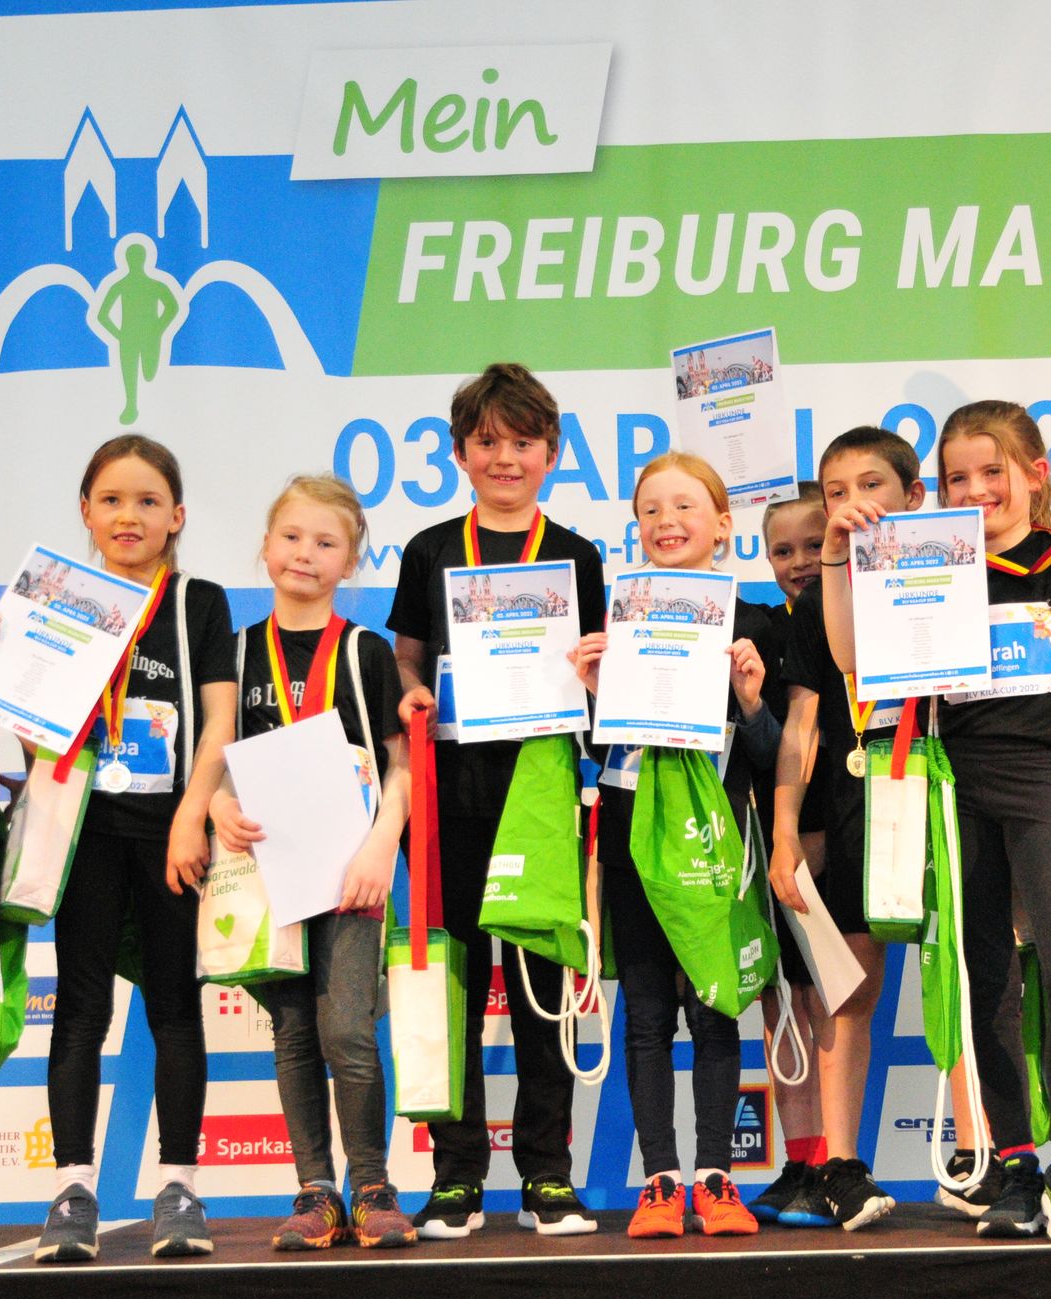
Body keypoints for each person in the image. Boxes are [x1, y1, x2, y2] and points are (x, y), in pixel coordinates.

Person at [820, 401, 1051, 1241]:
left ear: (1035, 475)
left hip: (1045, 784)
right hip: (956, 789)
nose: (975, 490)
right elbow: (850, 658)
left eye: (993, 472)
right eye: (957, 477)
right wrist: (839, 557)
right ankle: (1016, 1166)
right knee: (987, 979)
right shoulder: (927, 560)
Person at [388, 364, 605, 1238]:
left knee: (542, 986)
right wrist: (408, 692)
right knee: (454, 987)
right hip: (448, 798)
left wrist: (594, 674)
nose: (505, 458)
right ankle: (456, 1177)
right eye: (487, 442)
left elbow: (597, 663)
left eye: (522, 442)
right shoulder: (430, 548)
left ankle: (547, 1175)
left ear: (552, 452)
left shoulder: (577, 554)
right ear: (459, 453)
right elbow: (407, 653)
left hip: (542, 796)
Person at [33, 435, 237, 1263]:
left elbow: (218, 720)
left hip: (168, 834)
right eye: (112, 500)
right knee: (80, 1009)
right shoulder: (58, 599)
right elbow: (25, 711)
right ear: (85, 512)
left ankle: (179, 1188)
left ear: (176, 516)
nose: (129, 515)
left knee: (174, 1007)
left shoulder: (198, 603)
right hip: (83, 831)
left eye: (148, 501)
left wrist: (193, 813)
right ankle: (71, 1191)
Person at [571, 452, 781, 1238]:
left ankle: (717, 1178)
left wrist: (751, 701)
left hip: (715, 846)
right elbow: (595, 752)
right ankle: (660, 1180)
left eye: (685, 506)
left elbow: (770, 754)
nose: (667, 522)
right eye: (650, 510)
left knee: (715, 1010)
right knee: (648, 1015)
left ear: (723, 526)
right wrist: (594, 693)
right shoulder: (618, 619)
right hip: (632, 843)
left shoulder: (755, 623)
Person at [212, 475, 416, 1251]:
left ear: (350, 562)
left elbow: (399, 764)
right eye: (292, 537)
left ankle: (372, 1185)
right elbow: (212, 759)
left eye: (326, 543)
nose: (305, 553)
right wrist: (216, 807)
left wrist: (381, 844)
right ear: (265, 547)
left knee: (348, 1029)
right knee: (294, 1031)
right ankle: (315, 1190)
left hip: (351, 872)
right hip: (269, 871)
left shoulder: (365, 652)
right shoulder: (234, 654)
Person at [766, 431, 948, 1229]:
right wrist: (783, 831)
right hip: (853, 804)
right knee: (847, 992)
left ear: (914, 495)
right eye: (836, 492)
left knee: (972, 981)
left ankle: (990, 1156)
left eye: (869, 485)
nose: (851, 504)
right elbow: (801, 725)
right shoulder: (819, 605)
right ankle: (840, 1165)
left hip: (945, 798)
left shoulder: (953, 575)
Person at [742, 485, 834, 1220]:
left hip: (838, 823)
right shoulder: (762, 630)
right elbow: (766, 743)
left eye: (813, 544)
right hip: (771, 830)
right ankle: (799, 1160)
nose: (799, 562)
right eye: (782, 550)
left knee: (827, 993)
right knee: (781, 995)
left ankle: (834, 1158)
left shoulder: (857, 618)